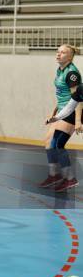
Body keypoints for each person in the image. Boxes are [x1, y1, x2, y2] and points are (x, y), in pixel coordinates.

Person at [41, 45, 81, 192]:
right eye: (58, 51)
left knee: (57, 144)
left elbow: (78, 98)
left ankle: (70, 179)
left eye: (63, 52)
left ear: (70, 57)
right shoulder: (60, 70)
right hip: (63, 110)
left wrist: (77, 121)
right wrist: (54, 113)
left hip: (72, 111)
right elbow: (61, 96)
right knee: (48, 143)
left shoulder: (72, 74)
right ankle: (54, 175)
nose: (58, 54)